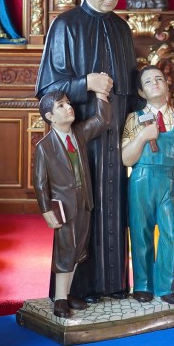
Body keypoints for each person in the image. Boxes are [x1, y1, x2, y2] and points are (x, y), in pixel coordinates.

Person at [35, 0, 139, 303]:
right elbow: (47, 91)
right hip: (81, 138)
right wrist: (85, 83)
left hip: (116, 141)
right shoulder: (65, 26)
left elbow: (130, 84)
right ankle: (77, 291)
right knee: (81, 213)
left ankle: (113, 286)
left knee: (115, 210)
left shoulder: (122, 28)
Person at [33, 90, 112, 318]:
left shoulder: (78, 134)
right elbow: (39, 183)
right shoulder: (45, 146)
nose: (68, 107)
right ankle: (59, 300)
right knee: (65, 251)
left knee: (78, 251)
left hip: (84, 202)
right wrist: (46, 210)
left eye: (68, 103)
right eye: (61, 105)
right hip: (63, 207)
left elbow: (102, 120)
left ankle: (66, 295)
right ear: (50, 116)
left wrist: (101, 96)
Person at [121, 65, 174, 305]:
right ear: (141, 92)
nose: (154, 83)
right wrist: (141, 137)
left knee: (171, 233)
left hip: (168, 182)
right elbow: (126, 159)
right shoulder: (134, 119)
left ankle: (165, 286)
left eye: (159, 78)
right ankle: (142, 285)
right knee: (141, 234)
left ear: (167, 86)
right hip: (141, 180)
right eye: (148, 81)